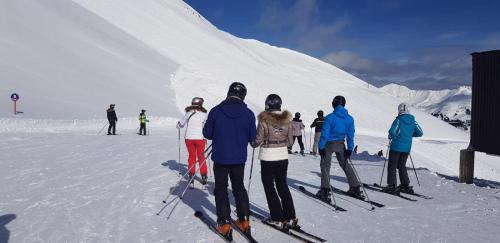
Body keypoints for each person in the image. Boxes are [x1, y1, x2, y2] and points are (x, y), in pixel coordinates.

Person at [203, 82, 256, 237]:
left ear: (228, 93)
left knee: (221, 189)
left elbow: (207, 133)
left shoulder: (216, 111)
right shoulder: (248, 114)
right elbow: (252, 138)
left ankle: (224, 223)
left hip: (220, 157)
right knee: (239, 187)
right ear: (243, 96)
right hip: (239, 158)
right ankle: (244, 220)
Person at [252, 94, 297, 230]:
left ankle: (277, 217)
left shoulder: (264, 119)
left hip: (268, 156)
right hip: (283, 156)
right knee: (282, 184)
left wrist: (253, 143)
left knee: (269, 185)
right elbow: (290, 141)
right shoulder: (287, 120)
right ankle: (290, 215)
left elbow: (257, 140)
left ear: (267, 105)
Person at [316, 96, 364, 201]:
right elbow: (350, 135)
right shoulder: (350, 119)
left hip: (328, 144)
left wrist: (321, 147)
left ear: (334, 103)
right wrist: (350, 149)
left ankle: (325, 190)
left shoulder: (330, 117)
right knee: (345, 164)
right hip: (341, 144)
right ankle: (355, 188)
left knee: (325, 165)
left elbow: (325, 134)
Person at [384, 103, 423, 194]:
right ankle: (405, 185)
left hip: (396, 147)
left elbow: (392, 132)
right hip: (407, 148)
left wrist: (391, 136)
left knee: (392, 166)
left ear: (399, 110)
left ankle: (392, 186)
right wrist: (409, 135)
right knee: (402, 165)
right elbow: (420, 133)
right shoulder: (413, 120)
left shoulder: (398, 120)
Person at [177, 97, 208, 184]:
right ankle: (204, 175)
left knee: (192, 156)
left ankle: (191, 175)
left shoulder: (188, 113)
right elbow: (207, 125)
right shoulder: (204, 114)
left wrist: (179, 125)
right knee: (201, 157)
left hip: (189, 138)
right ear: (201, 104)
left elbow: (180, 125)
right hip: (200, 138)